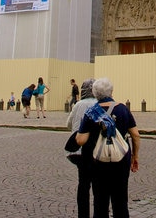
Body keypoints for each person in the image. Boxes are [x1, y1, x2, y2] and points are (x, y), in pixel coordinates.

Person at [75, 77, 140, 218]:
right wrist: (135, 156)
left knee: (100, 201)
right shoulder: (123, 109)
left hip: (99, 161)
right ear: (111, 91)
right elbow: (135, 135)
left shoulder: (91, 112)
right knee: (121, 200)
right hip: (121, 159)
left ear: (94, 93)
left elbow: (80, 140)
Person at [66, 78, 97, 218]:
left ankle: (82, 215)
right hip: (95, 151)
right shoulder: (99, 103)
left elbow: (68, 124)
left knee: (83, 185)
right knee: (98, 185)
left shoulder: (78, 105)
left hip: (79, 150)